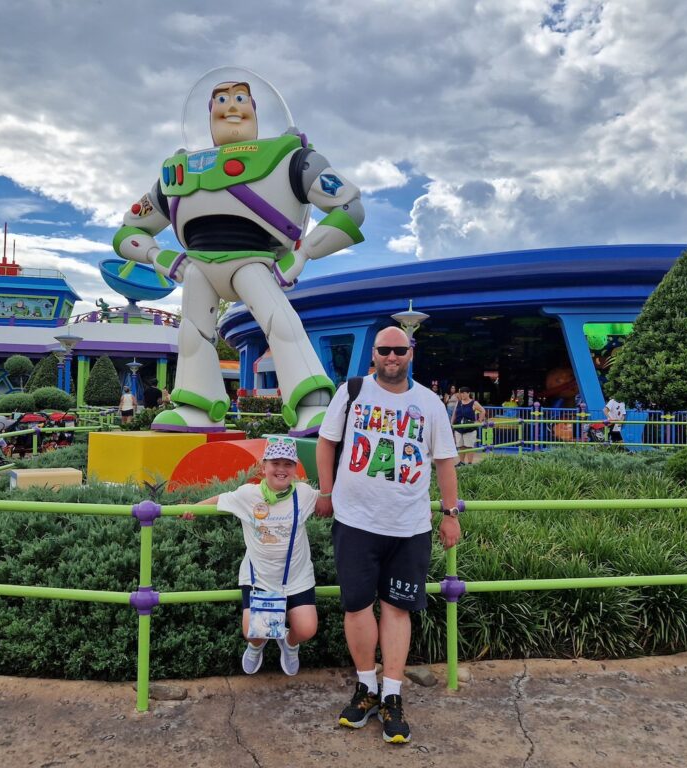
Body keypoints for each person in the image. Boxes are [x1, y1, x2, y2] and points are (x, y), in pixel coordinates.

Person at [113, 74, 365, 435]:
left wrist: (305, 252)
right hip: (197, 266)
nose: (231, 106)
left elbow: (349, 207)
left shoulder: (291, 158)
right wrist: (159, 256)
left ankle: (311, 403)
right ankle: (197, 405)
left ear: (256, 110)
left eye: (240, 98)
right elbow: (127, 232)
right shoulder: (177, 172)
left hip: (253, 260)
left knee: (281, 324)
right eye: (220, 100)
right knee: (193, 334)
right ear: (208, 113)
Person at [316, 326, 461, 745]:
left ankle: (393, 694)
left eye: (400, 350)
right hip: (355, 521)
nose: (392, 356)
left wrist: (450, 514)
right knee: (357, 605)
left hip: (409, 525)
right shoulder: (353, 391)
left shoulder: (429, 403)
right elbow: (326, 444)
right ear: (374, 354)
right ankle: (366, 688)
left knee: (397, 608)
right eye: (385, 350)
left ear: (411, 354)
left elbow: (446, 462)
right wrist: (326, 492)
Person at [188, 437, 318, 676]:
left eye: (288, 464)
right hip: (261, 577)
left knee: (307, 628)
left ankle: (289, 644)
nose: (281, 469)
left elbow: (330, 500)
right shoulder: (249, 495)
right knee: (253, 632)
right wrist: (194, 508)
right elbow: (221, 499)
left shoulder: (304, 494)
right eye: (275, 463)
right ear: (263, 467)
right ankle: (255, 648)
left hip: (296, 576)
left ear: (295, 469)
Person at [451, 387, 485, 465]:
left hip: (469, 428)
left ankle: (470, 463)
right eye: (461, 393)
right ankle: (461, 462)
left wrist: (479, 421)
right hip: (458, 427)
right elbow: (454, 414)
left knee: (469, 446)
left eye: (463, 393)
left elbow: (483, 411)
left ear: (468, 393)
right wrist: (452, 425)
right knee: (460, 445)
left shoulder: (474, 403)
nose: (462, 394)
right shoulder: (458, 402)